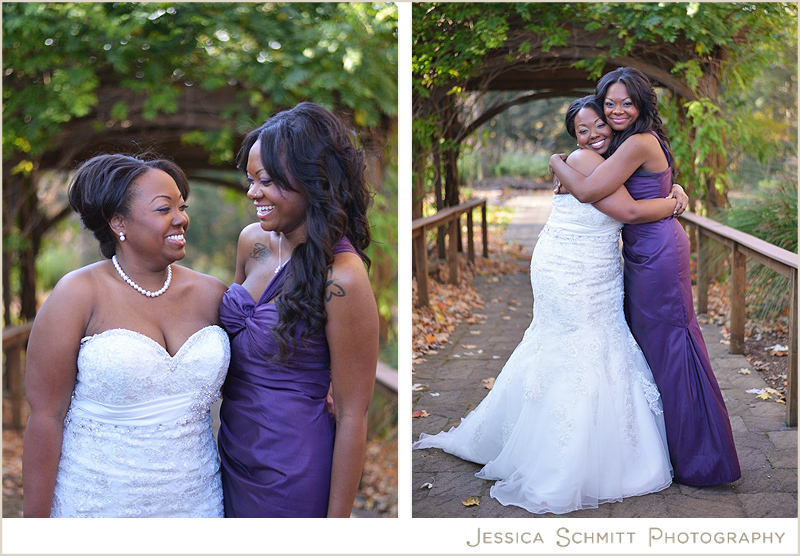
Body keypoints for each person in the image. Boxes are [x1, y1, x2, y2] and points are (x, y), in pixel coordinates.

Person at [412, 96, 679, 515]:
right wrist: (674, 202)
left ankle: (571, 440)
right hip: (568, 268)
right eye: (582, 131)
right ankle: (561, 456)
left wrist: (670, 185)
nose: (593, 136)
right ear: (573, 138)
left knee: (591, 341)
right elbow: (627, 210)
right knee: (579, 346)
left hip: (596, 267)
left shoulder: (593, 162)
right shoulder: (585, 162)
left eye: (599, 126)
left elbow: (635, 189)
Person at [549, 67, 741, 487]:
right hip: (644, 248)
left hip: (657, 252)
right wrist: (676, 193)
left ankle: (702, 459)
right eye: (610, 104)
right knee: (655, 346)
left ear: (641, 104)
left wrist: (555, 161)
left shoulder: (637, 141)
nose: (617, 111)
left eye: (626, 103)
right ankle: (673, 446)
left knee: (671, 346)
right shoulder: (632, 139)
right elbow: (647, 183)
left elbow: (594, 194)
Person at [22, 153, 230, 518]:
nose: (181, 218)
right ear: (119, 222)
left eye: (182, 206)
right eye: (164, 209)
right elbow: (46, 418)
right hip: (98, 503)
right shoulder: (77, 294)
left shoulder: (213, 294)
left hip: (197, 503)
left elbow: (259, 376)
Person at [218, 102, 379, 518]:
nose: (253, 192)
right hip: (229, 454)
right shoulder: (251, 242)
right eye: (251, 179)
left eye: (266, 180)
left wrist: (335, 524)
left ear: (312, 181)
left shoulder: (342, 278)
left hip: (292, 469)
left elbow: (351, 414)